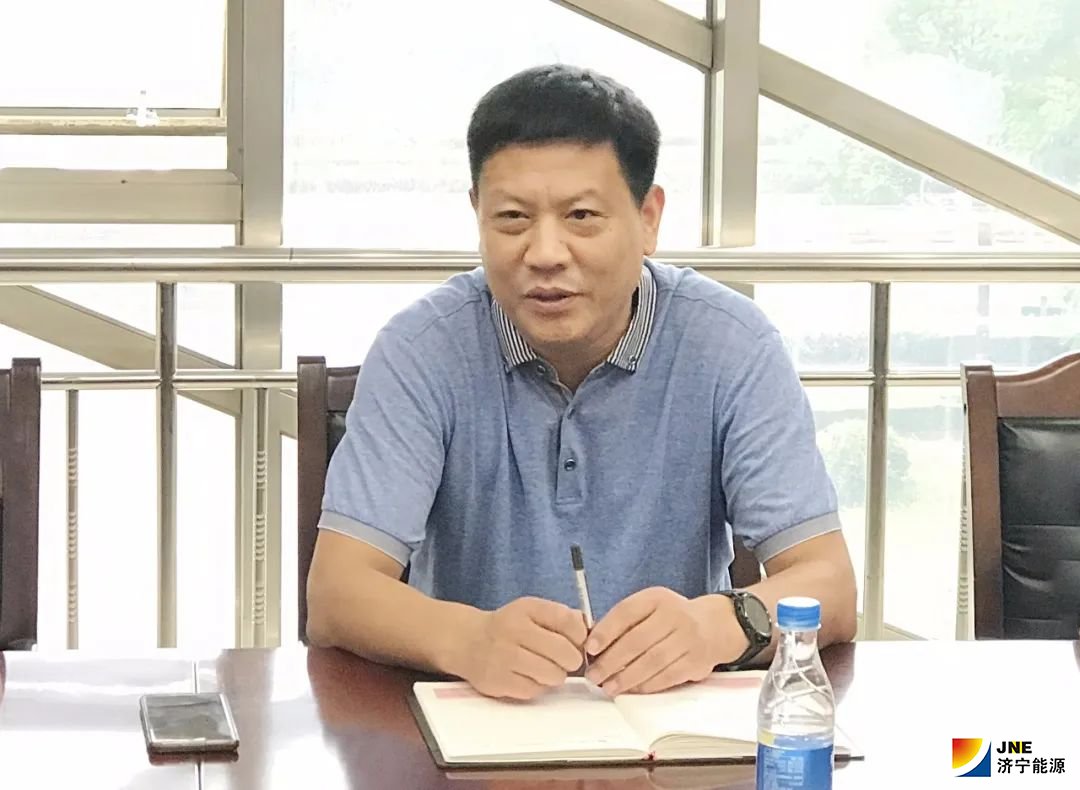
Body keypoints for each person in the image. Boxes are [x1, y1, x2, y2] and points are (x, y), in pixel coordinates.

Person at [306, 64, 857, 701]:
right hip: (477, 721)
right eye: (512, 218)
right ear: (477, 214)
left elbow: (830, 584)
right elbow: (337, 594)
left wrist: (718, 625)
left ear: (648, 218)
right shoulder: (422, 350)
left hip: (668, 720)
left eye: (582, 216)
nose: (545, 253)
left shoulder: (731, 344)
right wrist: (467, 638)